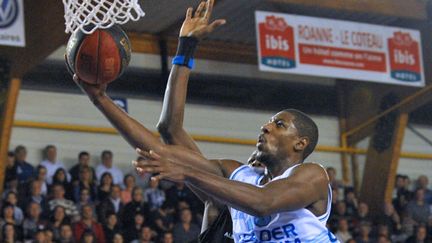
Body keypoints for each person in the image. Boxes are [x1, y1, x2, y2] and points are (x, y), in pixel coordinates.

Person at [70, 1, 337, 242]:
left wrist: (186, 172)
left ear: (301, 143)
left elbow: (264, 202)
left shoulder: (312, 175)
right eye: (269, 122)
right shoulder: (238, 177)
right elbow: (164, 142)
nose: (265, 127)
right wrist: (100, 99)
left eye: (279, 125)